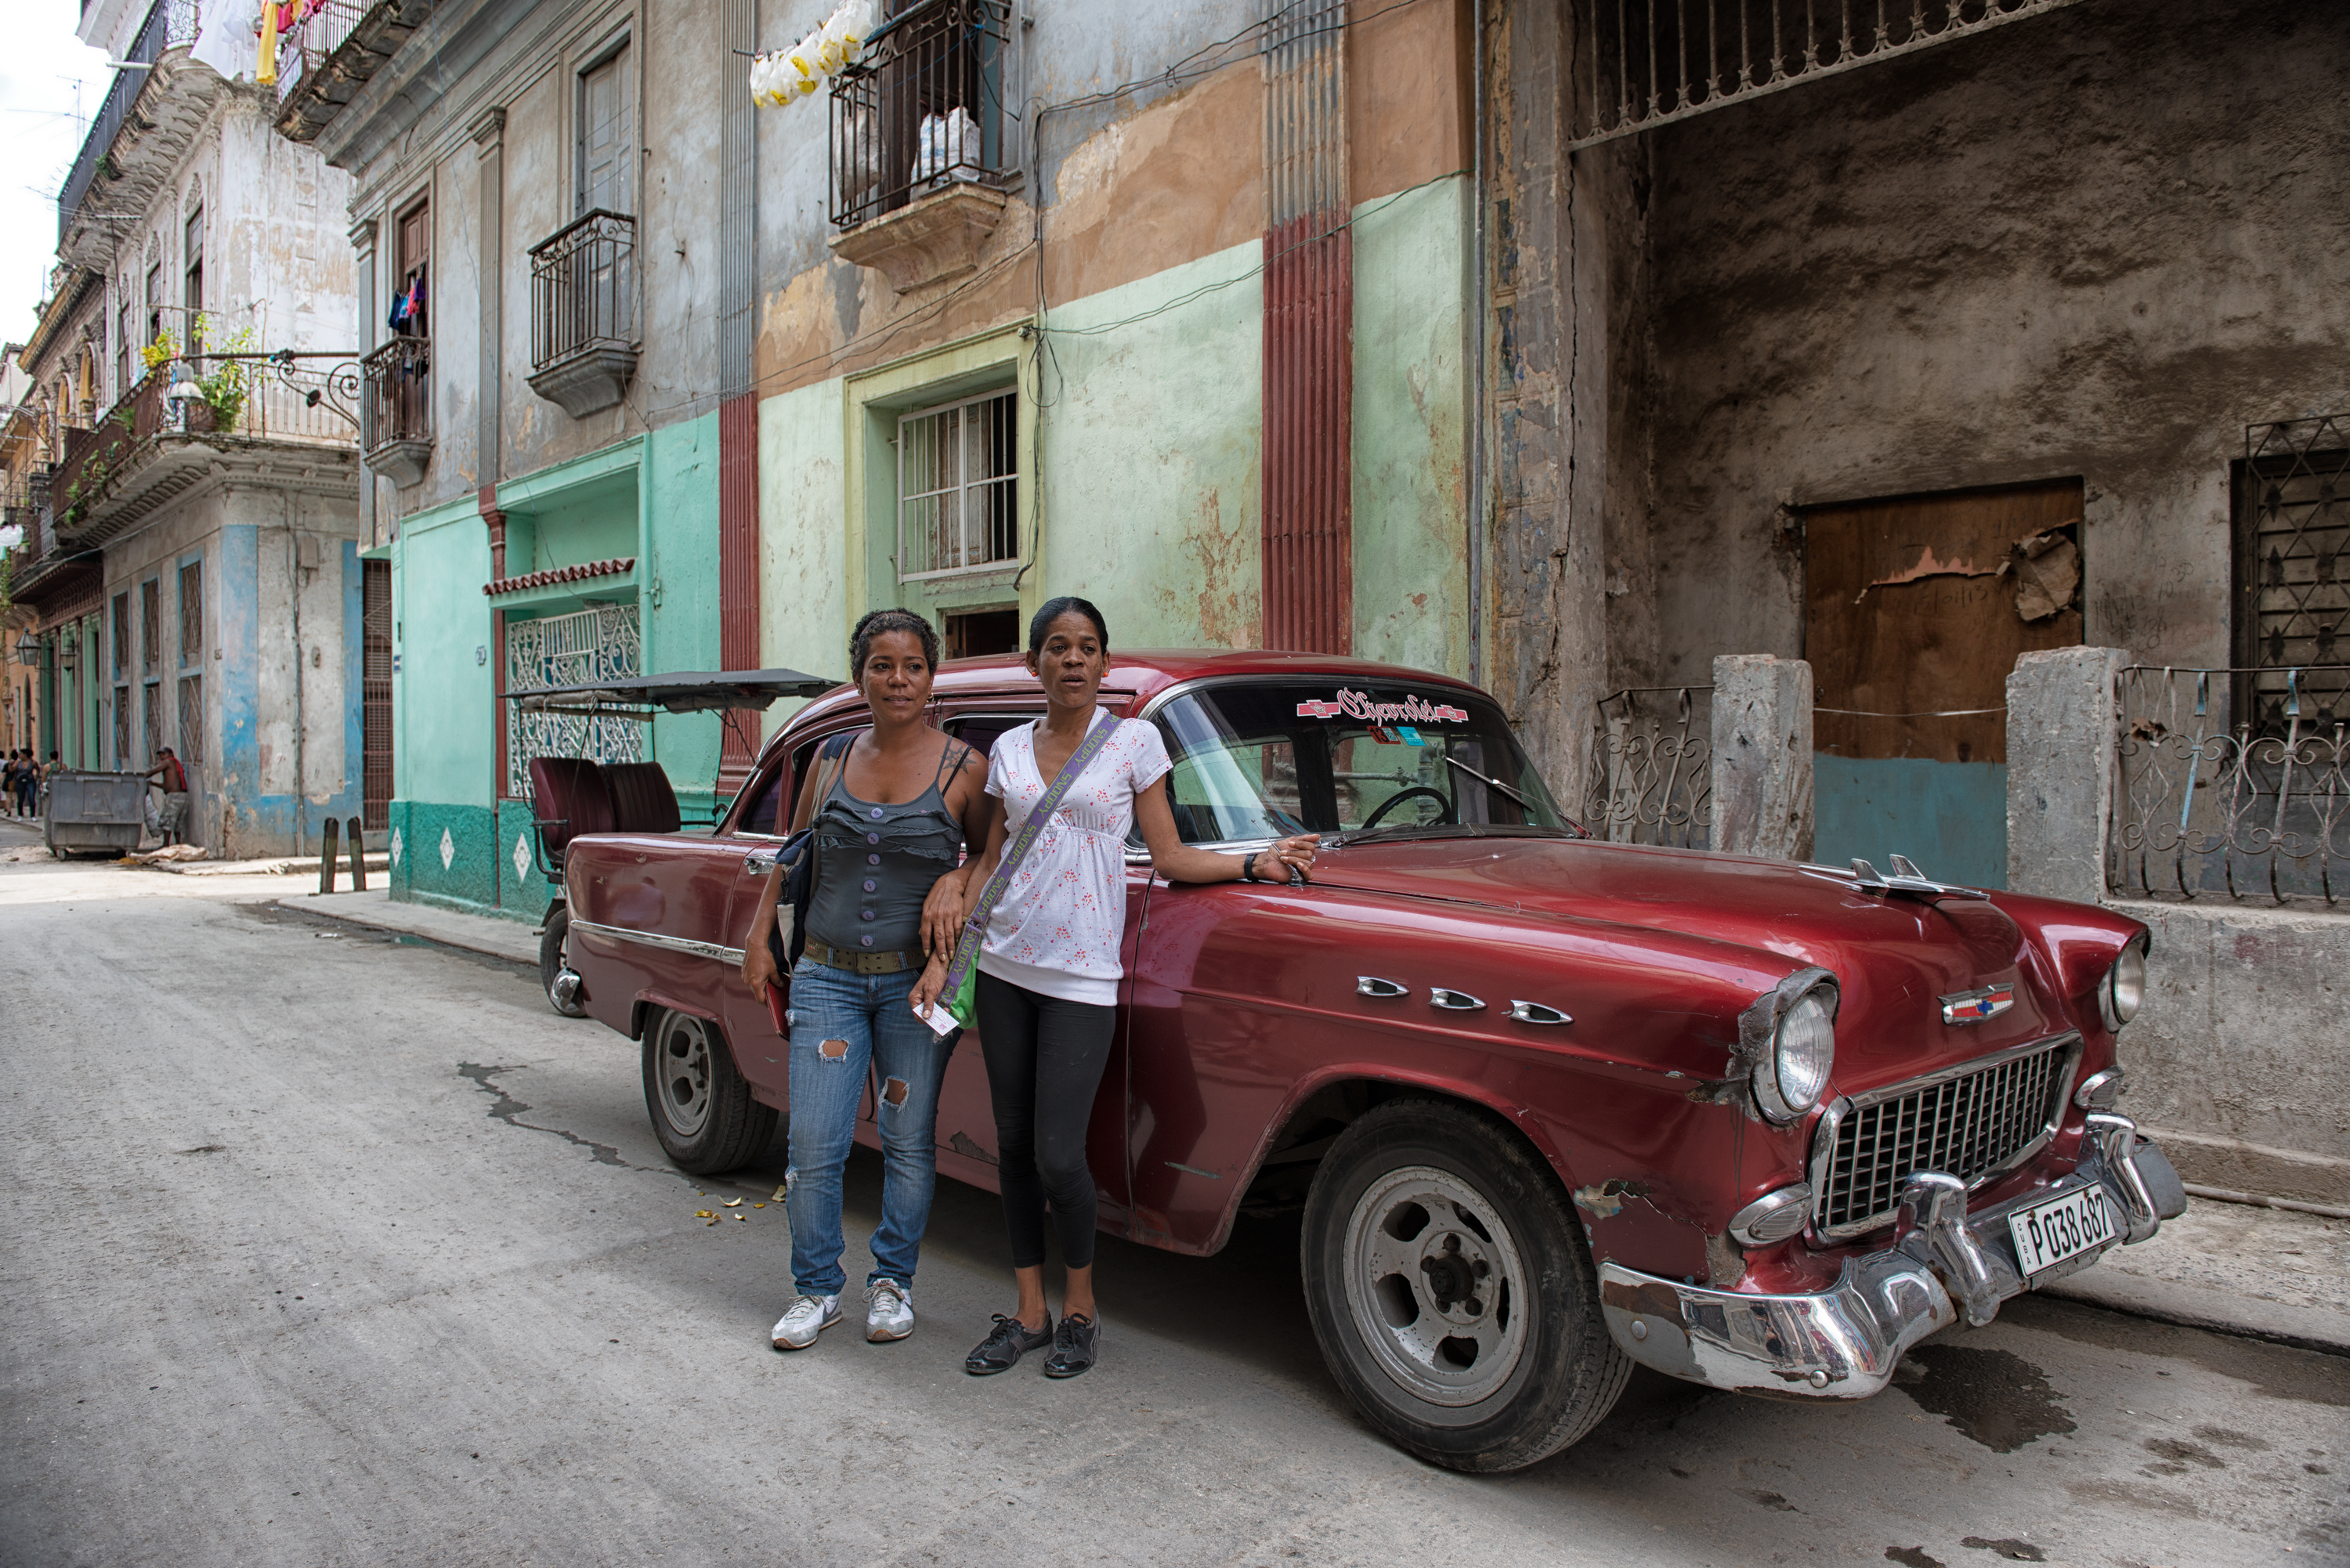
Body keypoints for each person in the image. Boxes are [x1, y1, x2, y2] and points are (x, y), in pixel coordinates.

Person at [914, 597, 1318, 1380]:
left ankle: (1081, 1309)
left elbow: (1167, 856)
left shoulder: (1134, 741)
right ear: (1034, 665)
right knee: (1016, 1148)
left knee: (1063, 1152)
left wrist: (1253, 861)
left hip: (1083, 978)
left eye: (1087, 647)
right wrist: (953, 943)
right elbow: (993, 856)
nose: (1072, 659)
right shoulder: (1007, 750)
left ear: (1104, 662)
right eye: (1057, 647)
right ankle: (1028, 1310)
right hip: (1003, 970)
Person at [739, 609, 991, 1351]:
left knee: (909, 1141)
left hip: (916, 989)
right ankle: (817, 1290)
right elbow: (796, 850)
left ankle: (893, 1283)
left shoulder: (963, 769)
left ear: (932, 677)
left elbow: (992, 860)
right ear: (861, 678)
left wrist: (957, 886)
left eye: (912, 665)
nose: (898, 679)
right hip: (826, 978)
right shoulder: (830, 757)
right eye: (882, 665)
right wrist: (758, 934)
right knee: (813, 1144)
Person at [144, 748, 189, 845]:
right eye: (160, 755)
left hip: (174, 796)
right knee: (178, 822)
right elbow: (167, 786)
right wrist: (153, 784)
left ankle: (166, 844)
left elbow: (152, 772)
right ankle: (178, 844)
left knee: (167, 820)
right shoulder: (174, 764)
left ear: (170, 754)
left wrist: (141, 777)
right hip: (183, 796)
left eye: (163, 754)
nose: (161, 757)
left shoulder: (168, 762)